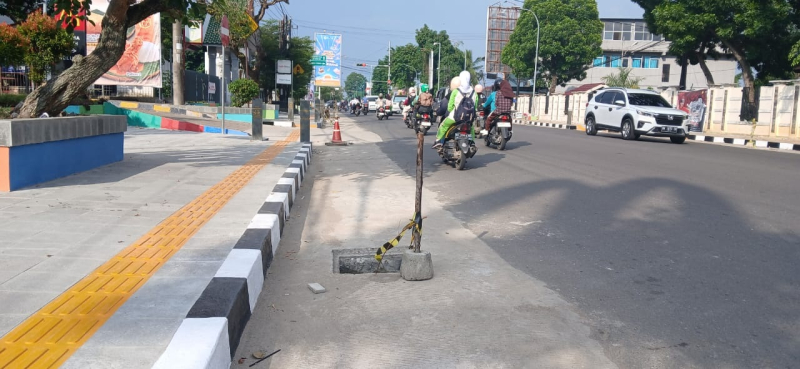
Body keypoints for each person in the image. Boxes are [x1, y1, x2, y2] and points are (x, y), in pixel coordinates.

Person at [433, 71, 479, 149]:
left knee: (443, 125)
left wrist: (452, 111)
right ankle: (472, 143)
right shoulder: (474, 93)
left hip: (455, 117)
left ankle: (438, 141)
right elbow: (475, 106)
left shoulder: (456, 91)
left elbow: (450, 106)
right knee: (471, 129)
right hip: (469, 118)